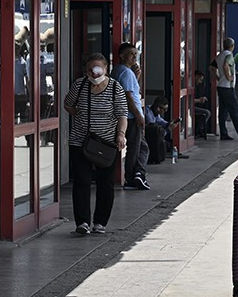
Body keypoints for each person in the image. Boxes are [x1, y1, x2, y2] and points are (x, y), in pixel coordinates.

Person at [64, 53, 128, 235]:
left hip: (106, 143)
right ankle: (82, 222)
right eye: (90, 70)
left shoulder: (115, 88)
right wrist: (78, 115)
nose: (94, 74)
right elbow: (68, 104)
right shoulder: (80, 85)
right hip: (80, 141)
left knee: (105, 183)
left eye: (98, 69)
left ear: (106, 69)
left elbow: (122, 115)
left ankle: (100, 222)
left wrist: (120, 135)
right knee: (82, 181)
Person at [111, 44, 150, 190]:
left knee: (142, 147)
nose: (134, 56)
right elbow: (128, 96)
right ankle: (132, 177)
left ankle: (138, 174)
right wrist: (138, 115)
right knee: (135, 148)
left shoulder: (119, 70)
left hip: (125, 115)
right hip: (130, 117)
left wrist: (136, 77)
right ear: (122, 55)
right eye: (131, 54)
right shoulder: (126, 73)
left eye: (135, 53)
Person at [215, 37, 238, 140]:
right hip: (228, 87)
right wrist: (229, 77)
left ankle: (223, 133)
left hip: (221, 86)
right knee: (235, 111)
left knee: (223, 111)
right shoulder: (229, 55)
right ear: (232, 46)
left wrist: (218, 77)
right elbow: (226, 65)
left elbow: (212, 67)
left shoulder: (219, 55)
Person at [145, 96, 176, 163]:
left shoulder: (154, 112)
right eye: (164, 109)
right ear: (158, 108)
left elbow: (160, 120)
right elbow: (155, 133)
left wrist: (168, 124)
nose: (166, 111)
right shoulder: (148, 114)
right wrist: (168, 129)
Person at [192, 70, 212, 138]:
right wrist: (199, 100)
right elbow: (190, 101)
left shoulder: (199, 87)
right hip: (191, 107)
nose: (200, 82)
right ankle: (199, 129)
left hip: (196, 106)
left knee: (205, 112)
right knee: (207, 113)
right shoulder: (191, 86)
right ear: (195, 77)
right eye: (200, 79)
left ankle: (199, 128)